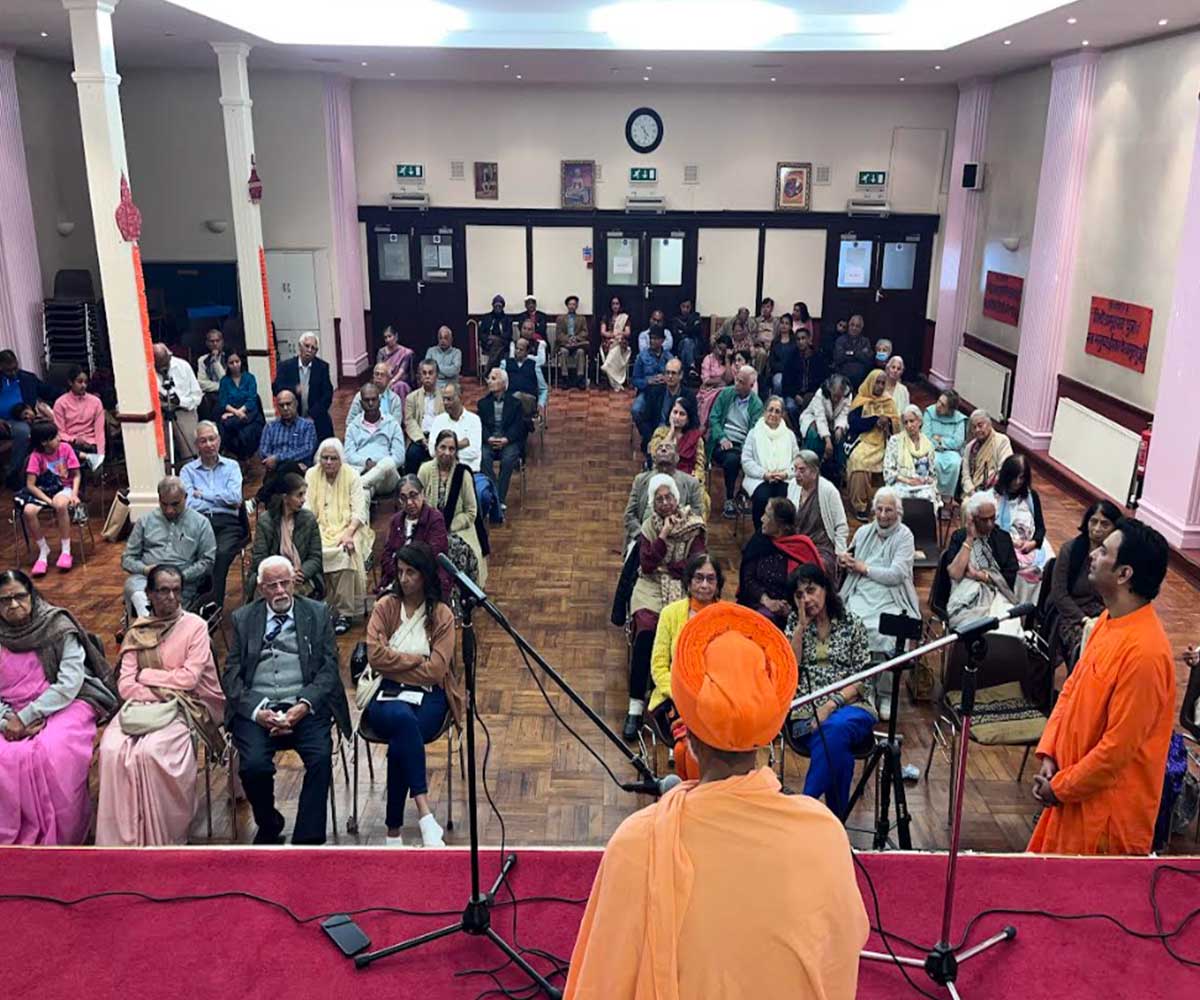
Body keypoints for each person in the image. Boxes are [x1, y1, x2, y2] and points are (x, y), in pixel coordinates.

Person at [565, 602, 867, 999]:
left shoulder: (638, 842)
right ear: (769, 731)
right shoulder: (824, 832)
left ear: (686, 733)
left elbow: (601, 985)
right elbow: (840, 958)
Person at [1028, 518, 1174, 856]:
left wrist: (1060, 788)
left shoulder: (1146, 654)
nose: (1093, 554)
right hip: (1069, 791)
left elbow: (1115, 752)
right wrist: (1051, 753)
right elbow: (1071, 689)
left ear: (1124, 574)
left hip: (1105, 820)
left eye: (1104, 551)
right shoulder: (1109, 621)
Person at [222, 555, 350, 845]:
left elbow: (329, 670)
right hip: (259, 707)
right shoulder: (244, 618)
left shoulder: (317, 613)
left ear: (294, 582)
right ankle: (269, 823)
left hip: (305, 705)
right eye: (272, 585)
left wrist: (303, 706)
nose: (280, 591)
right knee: (253, 766)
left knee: (320, 758)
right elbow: (231, 676)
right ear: (261, 588)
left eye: (285, 583)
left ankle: (308, 838)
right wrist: (257, 711)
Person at [95, 564, 225, 846]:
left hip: (189, 704)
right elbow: (125, 686)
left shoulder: (195, 626)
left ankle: (164, 834)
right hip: (142, 705)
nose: (171, 597)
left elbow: (189, 679)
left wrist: (147, 676)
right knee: (111, 750)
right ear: (149, 594)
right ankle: (123, 839)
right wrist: (163, 688)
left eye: (177, 590)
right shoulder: (137, 631)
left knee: (152, 752)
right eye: (164, 591)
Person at [0, 569, 117, 844]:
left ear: (32, 595)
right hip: (9, 712)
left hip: (64, 702)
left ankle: (64, 836)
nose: (14, 605)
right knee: (6, 757)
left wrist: (27, 716)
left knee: (48, 752)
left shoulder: (56, 625)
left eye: (19, 597)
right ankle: (13, 839)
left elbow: (69, 683)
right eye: (4, 600)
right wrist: (6, 721)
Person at [364, 542, 465, 846]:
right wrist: (416, 660)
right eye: (400, 572)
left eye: (411, 573)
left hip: (430, 697)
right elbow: (375, 657)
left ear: (425, 575)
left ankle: (393, 832)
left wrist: (395, 661)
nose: (404, 578)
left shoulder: (442, 615)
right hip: (386, 693)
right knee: (402, 720)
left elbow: (435, 671)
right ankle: (424, 814)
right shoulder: (385, 607)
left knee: (400, 739)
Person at [784, 562, 875, 819]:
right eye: (799, 595)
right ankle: (835, 821)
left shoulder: (852, 623)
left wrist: (830, 705)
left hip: (852, 707)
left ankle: (804, 810)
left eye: (811, 590)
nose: (807, 599)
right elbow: (790, 670)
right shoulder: (794, 624)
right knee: (838, 749)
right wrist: (801, 628)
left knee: (835, 728)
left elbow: (863, 678)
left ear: (825, 588)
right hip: (805, 714)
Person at [624, 475, 706, 739]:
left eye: (668, 497)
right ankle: (635, 705)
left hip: (683, 586)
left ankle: (681, 698)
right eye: (659, 499)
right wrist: (663, 535)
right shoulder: (650, 527)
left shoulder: (694, 525)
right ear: (653, 502)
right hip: (650, 586)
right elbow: (647, 565)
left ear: (676, 498)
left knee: (684, 634)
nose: (665, 503)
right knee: (646, 631)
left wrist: (669, 566)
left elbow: (695, 564)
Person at [839, 487, 920, 719]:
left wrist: (864, 568)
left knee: (890, 630)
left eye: (889, 510)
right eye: (879, 509)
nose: (883, 515)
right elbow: (850, 559)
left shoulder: (905, 536)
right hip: (862, 590)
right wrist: (844, 560)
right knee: (857, 624)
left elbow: (896, 575)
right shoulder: (863, 532)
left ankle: (886, 693)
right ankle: (866, 689)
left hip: (893, 594)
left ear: (898, 512)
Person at [647, 554, 724, 740]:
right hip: (675, 695)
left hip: (716, 698)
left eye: (710, 579)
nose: (704, 585)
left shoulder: (727, 616)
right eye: (699, 578)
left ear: (717, 585)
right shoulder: (670, 614)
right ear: (688, 582)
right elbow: (658, 666)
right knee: (690, 738)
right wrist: (682, 694)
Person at [121, 476, 216, 619]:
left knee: (168, 600)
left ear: (185, 497)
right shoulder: (145, 521)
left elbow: (207, 561)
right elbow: (127, 559)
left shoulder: (201, 523)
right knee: (140, 594)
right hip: (146, 581)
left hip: (182, 583)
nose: (169, 510)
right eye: (164, 504)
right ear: (159, 499)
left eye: (175, 504)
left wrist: (181, 576)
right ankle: (151, 622)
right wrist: (145, 570)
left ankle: (152, 624)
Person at [305, 439, 373, 634]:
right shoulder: (311, 474)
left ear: (341, 460)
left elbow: (359, 511)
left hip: (351, 528)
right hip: (318, 528)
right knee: (315, 551)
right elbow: (306, 509)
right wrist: (313, 532)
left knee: (345, 553)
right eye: (324, 458)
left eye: (333, 458)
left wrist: (348, 533)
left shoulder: (352, 475)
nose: (328, 462)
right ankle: (326, 606)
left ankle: (345, 612)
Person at [1045, 500, 1121, 669]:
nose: (1097, 528)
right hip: (1070, 614)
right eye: (1093, 521)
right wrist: (1083, 619)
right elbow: (1059, 594)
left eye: (1105, 524)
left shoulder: (1116, 559)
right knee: (1084, 647)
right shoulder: (1070, 550)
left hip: (1102, 615)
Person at [181, 421, 245, 613]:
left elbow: (235, 498)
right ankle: (188, 605)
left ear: (219, 440)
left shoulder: (232, 466)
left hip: (228, 523)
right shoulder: (187, 471)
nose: (209, 444)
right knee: (186, 553)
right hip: (197, 522)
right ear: (196, 445)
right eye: (203, 441)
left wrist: (203, 495)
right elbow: (188, 503)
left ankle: (212, 608)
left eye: (212, 439)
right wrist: (219, 499)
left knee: (220, 554)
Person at [737, 496, 823, 630]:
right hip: (759, 605)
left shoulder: (801, 546)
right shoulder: (759, 541)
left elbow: (815, 587)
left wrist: (791, 608)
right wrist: (767, 601)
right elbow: (748, 579)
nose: (762, 519)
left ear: (781, 525)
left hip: (797, 609)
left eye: (767, 516)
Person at [420, 429, 488, 587]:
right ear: (435, 448)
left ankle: (459, 594)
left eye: (451, 449)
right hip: (429, 527)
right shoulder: (425, 470)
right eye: (443, 447)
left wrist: (448, 527)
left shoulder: (462, 474)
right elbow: (419, 503)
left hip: (459, 529)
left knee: (455, 548)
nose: (447, 453)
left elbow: (471, 512)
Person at [244, 473, 324, 604]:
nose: (303, 500)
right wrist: (282, 575)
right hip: (273, 576)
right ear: (285, 498)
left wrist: (302, 572)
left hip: (302, 577)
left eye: (304, 494)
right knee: (269, 595)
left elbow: (315, 557)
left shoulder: (309, 519)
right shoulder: (266, 521)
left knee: (296, 596)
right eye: (299, 495)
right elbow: (259, 558)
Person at [945, 491, 1019, 631]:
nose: (990, 524)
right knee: (973, 627)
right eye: (984, 520)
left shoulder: (1003, 538)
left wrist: (981, 576)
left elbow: (1010, 576)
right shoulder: (959, 537)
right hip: (965, 597)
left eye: (992, 518)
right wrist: (970, 538)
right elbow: (955, 574)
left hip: (997, 595)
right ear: (973, 518)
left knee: (1007, 627)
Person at [16, 420, 82, 575]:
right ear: (44, 442)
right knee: (28, 511)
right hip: (44, 490)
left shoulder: (66, 448)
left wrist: (74, 494)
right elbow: (31, 485)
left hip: (64, 488)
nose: (59, 438)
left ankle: (66, 550)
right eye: (54, 436)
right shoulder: (36, 456)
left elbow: (76, 475)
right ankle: (43, 550)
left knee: (60, 505)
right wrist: (48, 501)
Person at [622, 441, 706, 549]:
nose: (663, 449)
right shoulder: (640, 480)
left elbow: (696, 514)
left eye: (668, 447)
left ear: (677, 457)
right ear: (654, 458)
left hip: (679, 540)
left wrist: (675, 535)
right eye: (659, 448)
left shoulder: (691, 483)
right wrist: (643, 536)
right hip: (642, 539)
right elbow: (630, 514)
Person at [994, 453, 1054, 604]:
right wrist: (1012, 543)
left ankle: (1035, 609)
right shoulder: (995, 497)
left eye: (1021, 478)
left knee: (1049, 566)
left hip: (1030, 545)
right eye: (1014, 477)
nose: (1018, 482)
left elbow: (1040, 528)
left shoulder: (1031, 497)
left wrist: (1033, 543)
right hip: (1004, 547)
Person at [381, 475, 452, 597]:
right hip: (397, 578)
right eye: (403, 498)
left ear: (422, 494)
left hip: (427, 581)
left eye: (413, 496)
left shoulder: (434, 519)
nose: (409, 503)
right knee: (382, 605)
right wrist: (398, 574)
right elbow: (387, 555)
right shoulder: (396, 520)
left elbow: (433, 556)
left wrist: (410, 573)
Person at [708, 365, 764, 519]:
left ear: (751, 386)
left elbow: (754, 431)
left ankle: (743, 494)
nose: (736, 384)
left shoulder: (757, 405)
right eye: (737, 380)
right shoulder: (725, 394)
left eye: (741, 382)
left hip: (743, 445)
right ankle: (730, 499)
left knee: (748, 458)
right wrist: (722, 437)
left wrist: (745, 448)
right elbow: (714, 418)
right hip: (722, 441)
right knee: (732, 460)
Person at [741, 396, 801, 532]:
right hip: (759, 479)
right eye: (770, 410)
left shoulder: (790, 435)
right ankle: (761, 533)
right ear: (764, 412)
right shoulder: (753, 433)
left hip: (784, 478)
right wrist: (764, 474)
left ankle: (783, 535)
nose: (773, 414)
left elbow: (797, 461)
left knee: (786, 501)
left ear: (782, 415)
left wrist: (786, 474)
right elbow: (746, 461)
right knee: (762, 498)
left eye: (777, 411)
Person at [845, 369, 899, 519]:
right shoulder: (861, 400)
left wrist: (888, 421)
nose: (880, 386)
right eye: (877, 382)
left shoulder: (888, 401)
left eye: (883, 383)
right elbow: (854, 424)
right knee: (858, 460)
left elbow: (897, 424)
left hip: (883, 441)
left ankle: (882, 504)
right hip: (863, 439)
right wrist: (874, 420)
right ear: (870, 382)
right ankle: (859, 505)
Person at [787, 450, 849, 579]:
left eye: (802, 470)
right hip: (797, 543)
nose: (797, 474)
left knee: (817, 569)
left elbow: (841, 525)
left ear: (814, 472)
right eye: (795, 469)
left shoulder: (828, 490)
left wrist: (840, 552)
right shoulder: (792, 486)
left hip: (821, 547)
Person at [0, 349, 53, 490]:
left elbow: (49, 391)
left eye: (15, 368)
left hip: (18, 420)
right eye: (8, 370)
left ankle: (12, 474)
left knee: (23, 432)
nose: (13, 373)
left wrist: (70, 393)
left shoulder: (27, 378)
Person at [477, 368, 527, 518]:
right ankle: (496, 497)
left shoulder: (516, 403)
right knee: (483, 457)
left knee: (509, 459)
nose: (489, 381)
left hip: (508, 441)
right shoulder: (482, 403)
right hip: (490, 441)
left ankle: (497, 499)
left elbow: (519, 426)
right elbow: (480, 425)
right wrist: (488, 438)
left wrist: (506, 439)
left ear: (504, 384)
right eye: (489, 378)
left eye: (493, 379)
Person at [343, 383, 405, 500]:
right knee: (363, 494)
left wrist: (379, 467)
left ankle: (355, 485)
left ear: (379, 401)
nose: (371, 403)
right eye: (367, 400)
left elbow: (400, 456)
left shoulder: (392, 424)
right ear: (361, 403)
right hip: (363, 471)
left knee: (388, 463)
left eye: (374, 399)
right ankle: (360, 488)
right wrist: (366, 463)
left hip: (386, 477)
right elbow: (348, 455)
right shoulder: (353, 426)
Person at [272, 332, 334, 444]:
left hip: (315, 416)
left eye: (313, 348)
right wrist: (293, 389)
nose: (309, 350)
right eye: (307, 346)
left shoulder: (322, 367)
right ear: (300, 347)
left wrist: (312, 416)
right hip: (291, 417)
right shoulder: (285, 366)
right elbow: (276, 388)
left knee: (327, 441)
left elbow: (327, 395)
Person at [256, 389, 317, 501]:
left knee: (289, 465)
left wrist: (278, 458)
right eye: (281, 405)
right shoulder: (270, 427)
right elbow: (263, 451)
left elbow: (307, 449)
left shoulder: (307, 426)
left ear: (296, 404)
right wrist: (275, 461)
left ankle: (259, 497)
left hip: (298, 472)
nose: (285, 408)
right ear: (277, 407)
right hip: (275, 470)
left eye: (288, 404)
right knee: (284, 469)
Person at [153, 342, 202, 464]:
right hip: (160, 413)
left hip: (184, 410)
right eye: (159, 366)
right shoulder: (147, 370)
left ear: (170, 356)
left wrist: (180, 401)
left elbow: (197, 397)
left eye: (164, 364)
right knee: (162, 454)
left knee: (191, 451)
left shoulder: (183, 366)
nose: (162, 368)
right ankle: (167, 473)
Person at [883, 404, 940, 510]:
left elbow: (932, 474)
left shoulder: (928, 445)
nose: (909, 425)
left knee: (927, 500)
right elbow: (888, 472)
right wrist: (908, 481)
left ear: (920, 422)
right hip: (901, 484)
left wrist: (927, 480)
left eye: (912, 421)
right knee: (900, 499)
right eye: (906, 422)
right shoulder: (895, 441)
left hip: (922, 485)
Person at [797, 373, 851, 484]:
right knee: (814, 435)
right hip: (813, 417)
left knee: (840, 437)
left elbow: (844, 415)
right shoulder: (820, 394)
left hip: (833, 422)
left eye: (839, 397)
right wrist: (827, 440)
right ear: (830, 390)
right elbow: (820, 417)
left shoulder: (848, 396)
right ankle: (811, 467)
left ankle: (840, 471)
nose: (836, 399)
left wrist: (839, 428)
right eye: (834, 395)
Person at [52, 365, 106, 472]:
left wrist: (101, 455)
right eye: (79, 382)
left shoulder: (95, 402)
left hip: (91, 443)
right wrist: (73, 439)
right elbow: (59, 431)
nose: (83, 385)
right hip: (69, 444)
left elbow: (100, 432)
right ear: (70, 382)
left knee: (96, 465)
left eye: (86, 382)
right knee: (64, 452)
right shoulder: (60, 403)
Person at [647, 394, 708, 489]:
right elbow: (655, 455)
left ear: (688, 419)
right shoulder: (660, 432)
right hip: (662, 477)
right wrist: (671, 432)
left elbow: (699, 465)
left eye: (682, 414)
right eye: (675, 412)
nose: (677, 417)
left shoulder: (696, 437)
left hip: (687, 480)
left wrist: (695, 479)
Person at [215, 348, 264, 460]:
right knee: (226, 426)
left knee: (247, 432)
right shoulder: (224, 381)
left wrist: (239, 412)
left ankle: (248, 458)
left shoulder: (250, 378)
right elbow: (223, 402)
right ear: (227, 365)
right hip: (232, 413)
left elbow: (252, 399)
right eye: (231, 363)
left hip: (249, 412)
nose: (235, 365)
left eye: (237, 361)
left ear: (241, 361)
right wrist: (235, 413)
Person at [635, 357, 692, 452]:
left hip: (679, 440)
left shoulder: (689, 395)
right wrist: (652, 439)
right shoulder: (654, 392)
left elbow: (693, 422)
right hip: (656, 438)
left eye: (673, 373)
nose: (670, 376)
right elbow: (645, 420)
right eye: (667, 373)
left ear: (681, 375)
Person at [922, 389, 968, 506]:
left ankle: (947, 498)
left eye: (943, 405)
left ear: (950, 409)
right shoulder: (929, 412)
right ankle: (934, 495)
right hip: (932, 449)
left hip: (951, 451)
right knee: (934, 462)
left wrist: (941, 441)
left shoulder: (959, 419)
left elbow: (958, 442)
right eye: (938, 401)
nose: (938, 405)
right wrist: (938, 443)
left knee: (955, 463)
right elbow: (926, 436)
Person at [630, 327, 673, 447]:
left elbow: (677, 378)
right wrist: (647, 381)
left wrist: (667, 378)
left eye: (655, 339)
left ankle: (661, 437)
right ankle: (648, 436)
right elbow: (634, 380)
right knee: (636, 410)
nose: (652, 341)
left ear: (662, 340)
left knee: (667, 413)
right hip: (646, 391)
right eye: (651, 338)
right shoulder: (642, 357)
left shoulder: (669, 357)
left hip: (665, 392)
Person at [403, 359, 445, 475]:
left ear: (436, 375)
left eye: (430, 373)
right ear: (420, 376)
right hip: (419, 438)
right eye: (424, 373)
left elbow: (448, 419)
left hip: (440, 437)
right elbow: (409, 421)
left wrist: (436, 439)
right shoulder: (411, 397)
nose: (427, 376)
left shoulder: (445, 396)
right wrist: (422, 439)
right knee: (412, 454)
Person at [961, 409, 1013, 496]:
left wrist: (987, 495)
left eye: (980, 425)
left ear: (989, 424)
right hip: (972, 493)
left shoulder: (1002, 441)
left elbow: (1004, 470)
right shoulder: (969, 447)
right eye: (974, 427)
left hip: (995, 493)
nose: (977, 430)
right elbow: (965, 475)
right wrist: (972, 492)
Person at [504, 335, 548, 420]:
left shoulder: (534, 365)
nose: (518, 351)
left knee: (518, 397)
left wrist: (541, 404)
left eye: (521, 350)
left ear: (527, 351)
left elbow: (543, 389)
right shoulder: (506, 363)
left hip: (528, 399)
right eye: (516, 349)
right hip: (510, 398)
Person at [696, 334, 733, 427]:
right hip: (708, 390)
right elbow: (706, 380)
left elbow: (729, 379)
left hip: (724, 391)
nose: (720, 352)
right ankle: (704, 425)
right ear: (715, 346)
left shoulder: (729, 361)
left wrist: (727, 359)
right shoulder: (708, 359)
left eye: (723, 350)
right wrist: (721, 381)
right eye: (719, 348)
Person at [555, 295, 590, 389]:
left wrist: (576, 338)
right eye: (570, 304)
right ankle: (565, 378)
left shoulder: (582, 318)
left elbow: (585, 332)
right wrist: (568, 339)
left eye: (574, 304)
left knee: (580, 352)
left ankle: (580, 378)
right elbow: (559, 334)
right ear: (567, 306)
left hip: (577, 344)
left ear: (576, 306)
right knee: (563, 352)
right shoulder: (560, 318)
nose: (572, 306)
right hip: (565, 344)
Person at [599, 295, 632, 391]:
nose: (615, 306)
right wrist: (613, 335)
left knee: (618, 346)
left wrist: (619, 334)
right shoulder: (606, 317)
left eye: (617, 304)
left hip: (621, 341)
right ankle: (615, 380)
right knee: (613, 346)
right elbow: (603, 332)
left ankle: (606, 366)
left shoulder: (624, 317)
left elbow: (627, 332)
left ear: (620, 305)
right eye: (613, 304)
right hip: (608, 341)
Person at [375, 324, 414, 406]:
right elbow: (379, 369)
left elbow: (401, 371)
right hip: (384, 379)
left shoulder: (405, 352)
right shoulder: (381, 352)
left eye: (390, 336)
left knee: (400, 386)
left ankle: (401, 411)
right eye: (385, 337)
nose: (387, 340)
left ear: (396, 336)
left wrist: (392, 382)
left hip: (399, 380)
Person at [195, 328, 227, 421]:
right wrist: (220, 386)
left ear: (222, 342)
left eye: (217, 341)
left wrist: (215, 362)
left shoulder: (229, 357)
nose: (215, 344)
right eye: (212, 341)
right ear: (207, 343)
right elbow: (201, 383)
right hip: (211, 397)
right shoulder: (202, 360)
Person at [832, 314, 872, 386]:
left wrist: (849, 353)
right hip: (842, 376)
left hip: (860, 379)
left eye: (857, 326)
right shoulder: (840, 340)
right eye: (852, 325)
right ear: (848, 326)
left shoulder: (865, 341)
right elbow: (839, 358)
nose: (854, 328)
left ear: (861, 328)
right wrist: (857, 353)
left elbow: (867, 359)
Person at [478, 294, 511, 374]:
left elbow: (509, 334)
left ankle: (488, 371)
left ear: (503, 307)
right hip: (488, 343)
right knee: (498, 347)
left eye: (500, 306)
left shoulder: (507, 319)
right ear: (493, 306)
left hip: (503, 342)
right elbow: (481, 333)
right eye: (496, 306)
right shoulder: (486, 318)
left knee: (497, 344)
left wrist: (497, 338)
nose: (498, 308)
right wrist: (488, 339)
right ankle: (497, 373)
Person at [669, 298, 704, 373]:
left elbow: (697, 331)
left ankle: (686, 371)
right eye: (683, 306)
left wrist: (683, 330)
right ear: (680, 307)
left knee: (688, 343)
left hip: (695, 347)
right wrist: (690, 330)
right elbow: (676, 336)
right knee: (687, 342)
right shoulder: (675, 320)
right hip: (679, 347)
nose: (685, 309)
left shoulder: (696, 317)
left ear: (691, 307)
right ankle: (691, 367)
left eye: (688, 307)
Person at [424, 325, 461, 390]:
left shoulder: (457, 352)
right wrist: (446, 372)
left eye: (445, 338)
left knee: (450, 390)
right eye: (440, 338)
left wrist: (436, 367)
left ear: (451, 339)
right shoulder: (431, 351)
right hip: (434, 384)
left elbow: (454, 371)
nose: (443, 341)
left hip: (451, 384)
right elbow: (428, 370)